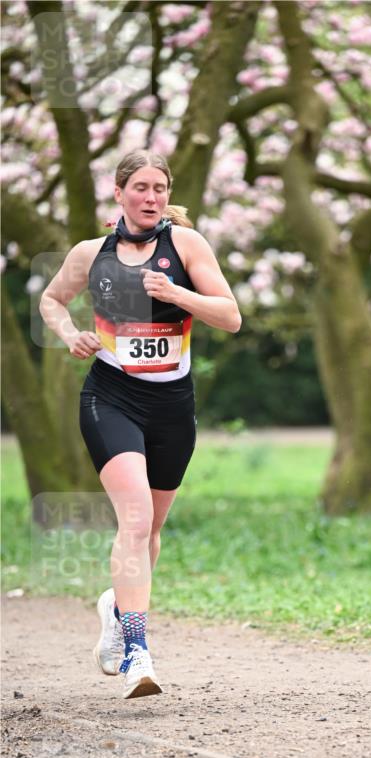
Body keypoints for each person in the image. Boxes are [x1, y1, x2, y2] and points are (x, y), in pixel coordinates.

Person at [39, 149, 241, 699]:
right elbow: (52, 300)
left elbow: (231, 315)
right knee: (133, 520)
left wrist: (177, 294)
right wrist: (69, 335)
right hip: (112, 396)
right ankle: (137, 652)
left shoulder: (187, 246)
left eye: (159, 188)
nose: (151, 198)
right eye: (141, 188)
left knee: (151, 530)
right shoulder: (90, 253)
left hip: (173, 404)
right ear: (119, 193)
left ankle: (115, 603)